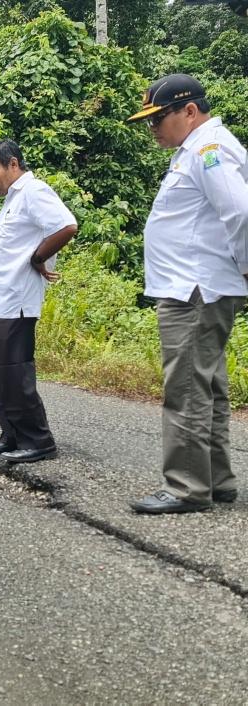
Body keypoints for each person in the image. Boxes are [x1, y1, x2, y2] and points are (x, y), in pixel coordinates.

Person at [126, 74, 248, 514]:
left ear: (190, 111)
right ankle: (216, 480)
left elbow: (240, 210)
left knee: (186, 387)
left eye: (159, 117)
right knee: (207, 384)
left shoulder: (208, 150)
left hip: (195, 289)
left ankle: (186, 487)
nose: (153, 127)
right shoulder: (196, 151)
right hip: (195, 286)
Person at [0, 139, 77, 464]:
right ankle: (12, 435)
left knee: (14, 373)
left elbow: (66, 225)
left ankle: (38, 440)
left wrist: (38, 257)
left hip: (15, 301)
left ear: (14, 164)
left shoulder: (33, 191)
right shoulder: (13, 199)